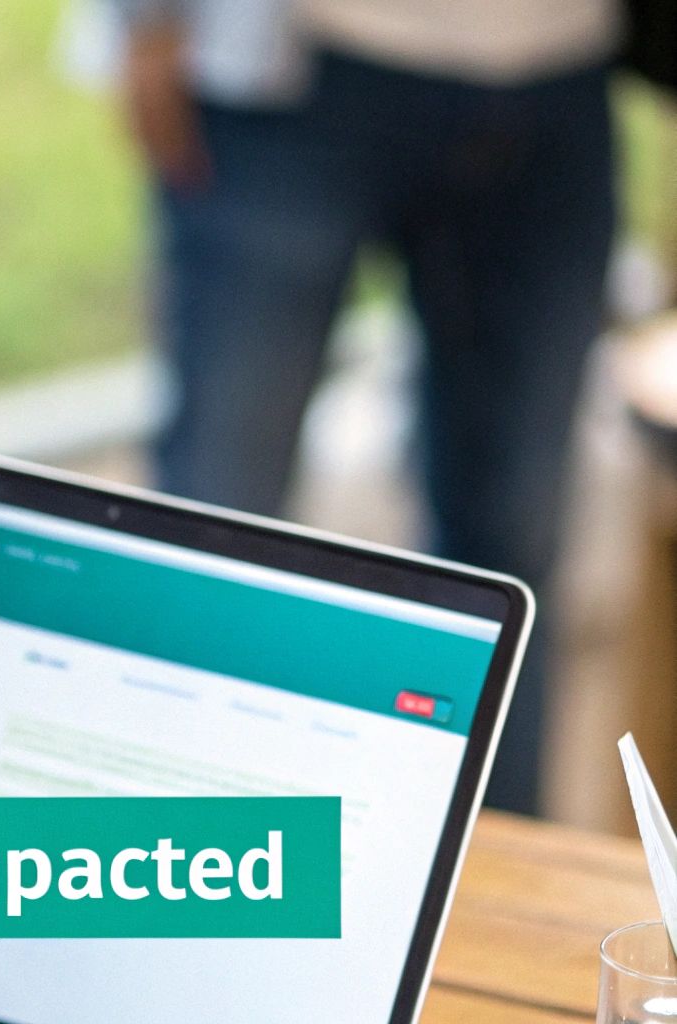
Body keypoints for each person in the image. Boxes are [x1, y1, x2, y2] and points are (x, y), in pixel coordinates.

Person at [114, 0, 619, 813]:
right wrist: (143, 24)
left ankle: (489, 888)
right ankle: (171, 866)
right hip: (300, 68)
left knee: (513, 547)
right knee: (215, 519)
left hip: (561, 72)